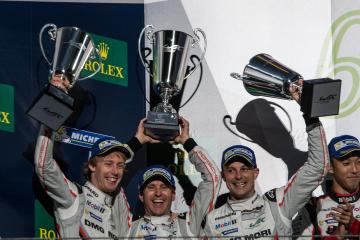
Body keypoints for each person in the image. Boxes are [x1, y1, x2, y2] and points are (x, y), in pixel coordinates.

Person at [203, 82, 329, 239]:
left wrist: (309, 114)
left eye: (244, 169)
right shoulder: (213, 220)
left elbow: (318, 167)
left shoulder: (278, 203)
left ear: (255, 173)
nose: (238, 176)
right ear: (223, 176)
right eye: (230, 170)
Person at [128, 117, 222, 238]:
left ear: (173, 194)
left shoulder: (189, 224)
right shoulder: (128, 227)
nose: (158, 193)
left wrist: (187, 141)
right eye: (151, 187)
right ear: (141, 195)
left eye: (164, 187)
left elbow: (213, 177)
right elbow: (107, 172)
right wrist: (136, 142)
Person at [292, 135, 360, 239]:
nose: (355, 170)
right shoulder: (313, 208)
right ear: (331, 167)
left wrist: (355, 226)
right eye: (346, 163)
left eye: (359, 162)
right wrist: (336, 237)